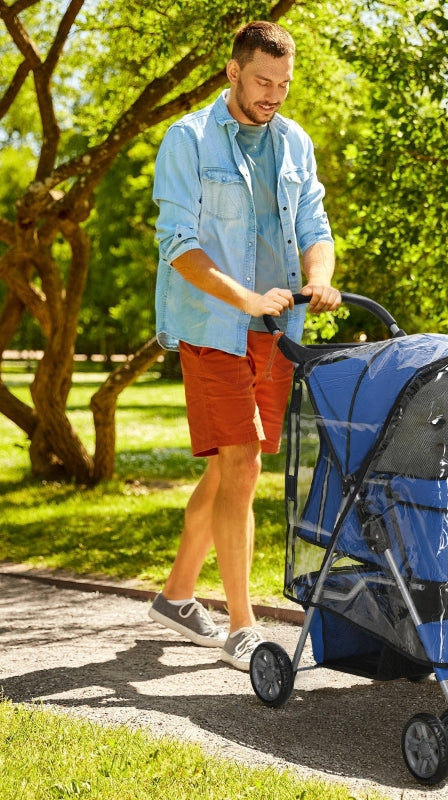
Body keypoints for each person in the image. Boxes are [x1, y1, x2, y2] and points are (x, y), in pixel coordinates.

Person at [148, 20, 340, 671]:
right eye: (263, 81)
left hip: (275, 333)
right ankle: (242, 626)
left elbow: (314, 223)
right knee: (244, 466)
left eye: (284, 85)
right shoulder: (189, 140)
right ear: (233, 72)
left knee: (231, 465)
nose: (274, 95)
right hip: (213, 328)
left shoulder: (293, 144)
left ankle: (176, 597)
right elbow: (179, 244)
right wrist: (247, 300)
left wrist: (319, 279)